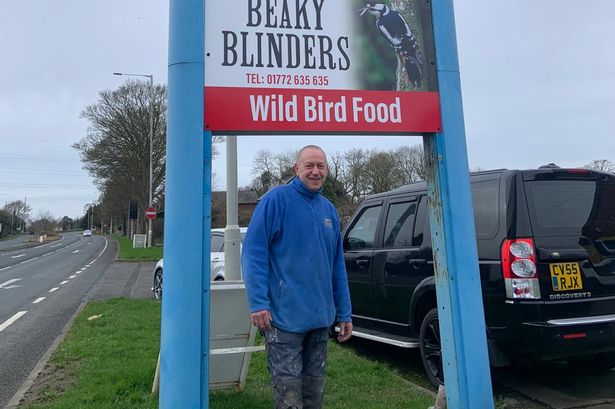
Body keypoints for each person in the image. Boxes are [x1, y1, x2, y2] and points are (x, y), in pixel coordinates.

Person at [242, 145, 353, 409]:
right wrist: (258, 303)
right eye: (309, 166)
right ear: (297, 169)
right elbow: (253, 252)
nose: (315, 172)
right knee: (289, 398)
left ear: (327, 170)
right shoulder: (276, 200)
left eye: (321, 166)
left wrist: (344, 313)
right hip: (284, 320)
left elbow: (336, 265)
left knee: (314, 395)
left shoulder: (329, 210)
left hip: (319, 320)